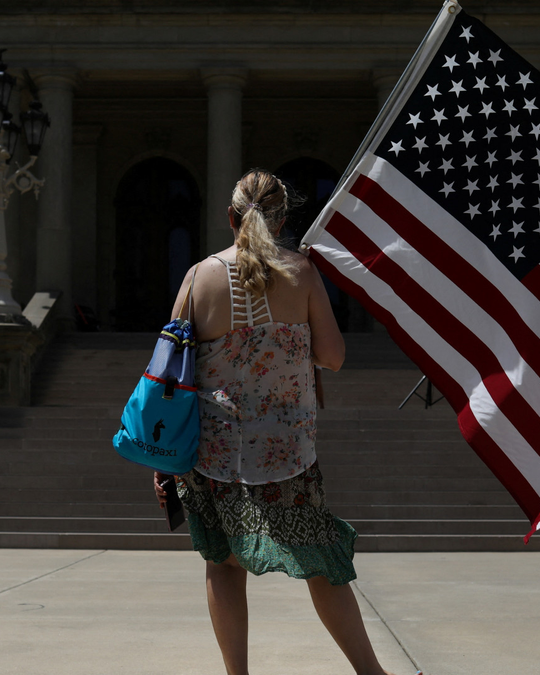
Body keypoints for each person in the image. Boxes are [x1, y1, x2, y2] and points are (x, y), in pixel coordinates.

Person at [153, 169, 397, 675]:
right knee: (321, 562)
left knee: (221, 564)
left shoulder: (199, 277)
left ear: (230, 217)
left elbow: (166, 371)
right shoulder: (301, 273)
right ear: (284, 219)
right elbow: (333, 356)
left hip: (213, 451)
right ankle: (371, 673)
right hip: (287, 453)